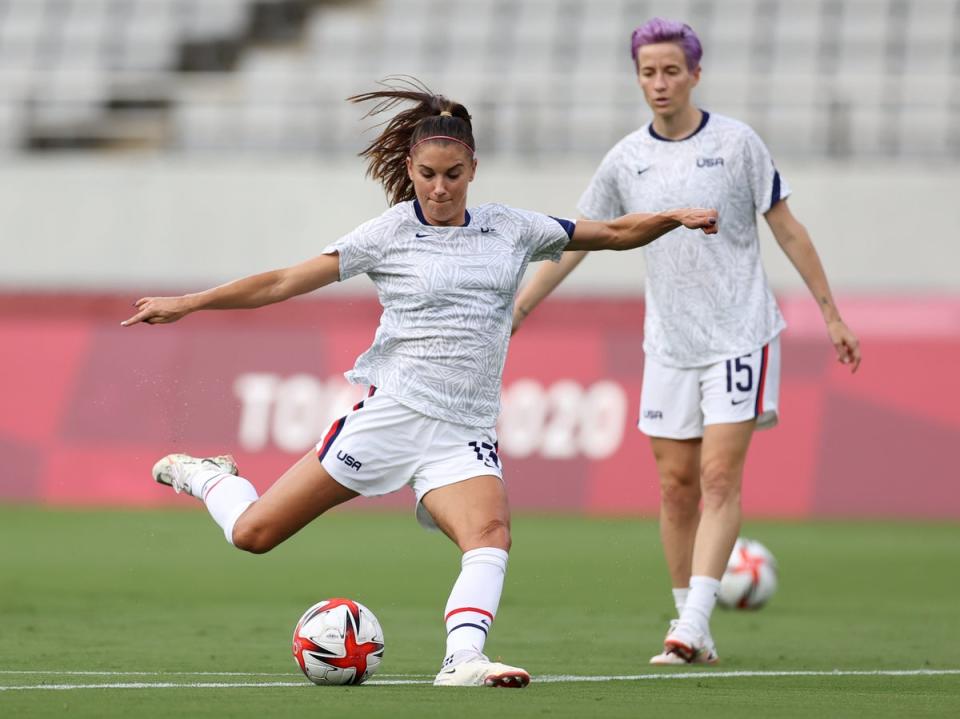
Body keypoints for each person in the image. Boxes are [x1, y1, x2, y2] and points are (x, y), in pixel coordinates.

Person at [121, 77, 719, 687]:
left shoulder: (511, 228)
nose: (439, 187)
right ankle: (212, 478)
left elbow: (612, 234)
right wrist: (190, 302)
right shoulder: (387, 235)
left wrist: (671, 217)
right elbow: (281, 282)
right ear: (409, 167)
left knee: (490, 535)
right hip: (393, 413)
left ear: (473, 169)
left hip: (464, 427)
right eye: (428, 173)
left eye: (453, 174)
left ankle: (463, 658)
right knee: (253, 535)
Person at [513, 19, 861, 666]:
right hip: (669, 341)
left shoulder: (736, 144)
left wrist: (831, 314)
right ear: (637, 76)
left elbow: (786, 229)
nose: (660, 82)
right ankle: (688, 621)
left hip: (740, 332)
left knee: (718, 475)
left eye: (671, 70)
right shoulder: (625, 159)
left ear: (695, 73)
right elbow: (577, 241)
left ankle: (695, 623)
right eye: (648, 71)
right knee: (676, 485)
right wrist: (523, 307)